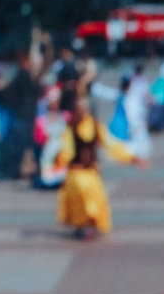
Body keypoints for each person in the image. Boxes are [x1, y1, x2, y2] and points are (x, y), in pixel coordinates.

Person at [54, 85, 140, 239]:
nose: (82, 109)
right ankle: (82, 226)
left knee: (93, 194)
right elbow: (66, 152)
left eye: (84, 106)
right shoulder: (69, 129)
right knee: (81, 191)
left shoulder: (95, 125)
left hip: (91, 172)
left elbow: (111, 144)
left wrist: (131, 157)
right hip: (75, 173)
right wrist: (60, 159)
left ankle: (89, 225)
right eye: (78, 106)